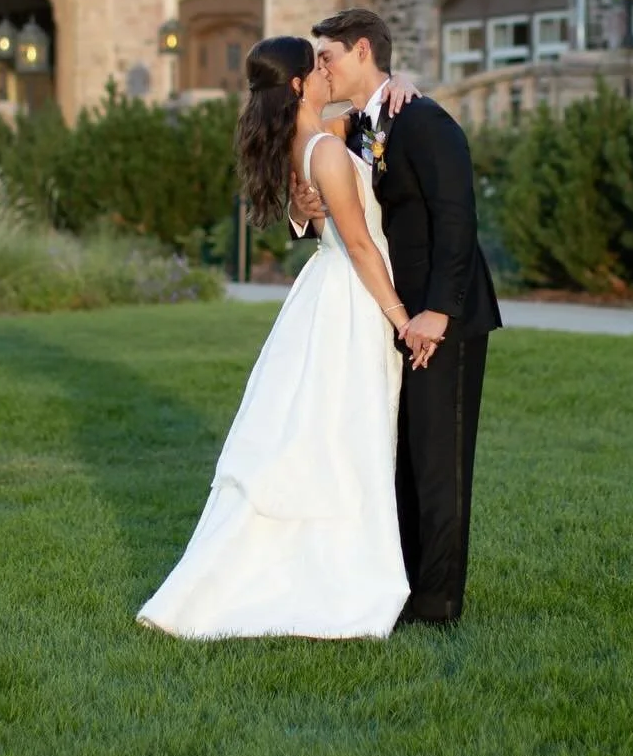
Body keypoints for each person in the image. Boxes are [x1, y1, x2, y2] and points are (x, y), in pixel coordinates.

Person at [136, 36, 427, 640]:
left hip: (325, 293)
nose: (326, 71)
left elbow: (361, 122)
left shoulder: (312, 141)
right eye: (316, 66)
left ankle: (329, 566)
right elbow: (361, 245)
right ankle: (335, 582)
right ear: (297, 85)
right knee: (344, 438)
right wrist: (402, 319)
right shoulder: (322, 150)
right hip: (349, 298)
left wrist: (396, 86)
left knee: (325, 435)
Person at [294, 9, 501, 627]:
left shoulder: (426, 120)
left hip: (442, 317)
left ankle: (437, 603)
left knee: (439, 460)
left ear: (362, 50)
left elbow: (457, 219)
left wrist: (436, 312)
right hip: (388, 313)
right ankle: (403, 586)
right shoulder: (357, 126)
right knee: (400, 456)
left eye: (327, 56)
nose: (320, 68)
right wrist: (307, 206)